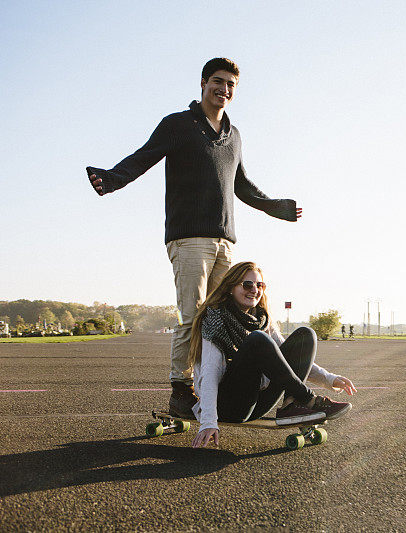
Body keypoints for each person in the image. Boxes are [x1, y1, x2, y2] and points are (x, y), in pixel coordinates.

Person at [86, 58, 303, 418]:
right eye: (218, 82)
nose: (224, 89)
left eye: (231, 84)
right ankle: (180, 389)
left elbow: (242, 186)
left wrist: (274, 207)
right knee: (193, 316)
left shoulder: (234, 136)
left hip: (224, 241)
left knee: (229, 313)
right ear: (203, 83)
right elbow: (145, 156)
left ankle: (222, 384)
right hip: (189, 239)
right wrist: (112, 179)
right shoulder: (179, 125)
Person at [187, 261, 357, 449]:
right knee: (257, 340)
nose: (254, 290)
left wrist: (330, 379)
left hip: (257, 402)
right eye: (247, 284)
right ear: (230, 288)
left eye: (259, 285)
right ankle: (309, 399)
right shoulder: (215, 319)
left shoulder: (262, 319)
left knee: (305, 336)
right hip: (228, 406)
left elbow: (287, 361)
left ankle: (290, 405)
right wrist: (209, 422)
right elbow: (210, 372)